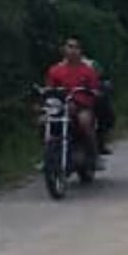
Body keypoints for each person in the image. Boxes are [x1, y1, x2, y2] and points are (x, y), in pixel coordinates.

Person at [45, 37, 107, 166]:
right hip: (61, 107)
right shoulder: (55, 70)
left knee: (85, 122)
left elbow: (94, 89)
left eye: (76, 47)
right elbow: (50, 90)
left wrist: (93, 93)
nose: (73, 50)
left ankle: (94, 155)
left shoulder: (88, 70)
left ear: (81, 51)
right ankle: (48, 156)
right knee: (44, 121)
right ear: (63, 50)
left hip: (82, 106)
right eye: (70, 47)